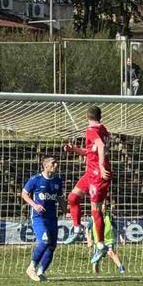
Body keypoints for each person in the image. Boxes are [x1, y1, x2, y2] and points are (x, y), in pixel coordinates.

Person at [62, 105, 112, 266]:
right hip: (90, 174)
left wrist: (102, 166)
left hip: (98, 175)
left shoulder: (91, 130)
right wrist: (75, 149)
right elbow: (92, 151)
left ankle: (101, 245)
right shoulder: (103, 129)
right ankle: (77, 228)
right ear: (100, 116)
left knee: (95, 210)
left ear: (86, 116)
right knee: (72, 197)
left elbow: (102, 147)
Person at [21, 155, 64, 282]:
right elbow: (24, 194)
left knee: (51, 246)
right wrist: (34, 205)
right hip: (38, 217)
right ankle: (32, 267)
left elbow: (60, 198)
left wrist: (67, 211)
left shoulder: (57, 181)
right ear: (45, 166)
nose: (56, 165)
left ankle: (40, 272)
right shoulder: (35, 179)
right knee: (44, 241)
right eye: (53, 163)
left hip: (52, 217)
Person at [85, 203, 126, 275]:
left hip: (108, 239)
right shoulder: (93, 216)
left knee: (111, 252)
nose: (104, 207)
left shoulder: (108, 215)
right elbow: (87, 229)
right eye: (102, 205)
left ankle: (121, 268)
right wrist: (89, 240)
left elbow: (116, 226)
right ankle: (96, 275)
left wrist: (121, 237)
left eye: (105, 205)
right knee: (96, 261)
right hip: (98, 241)